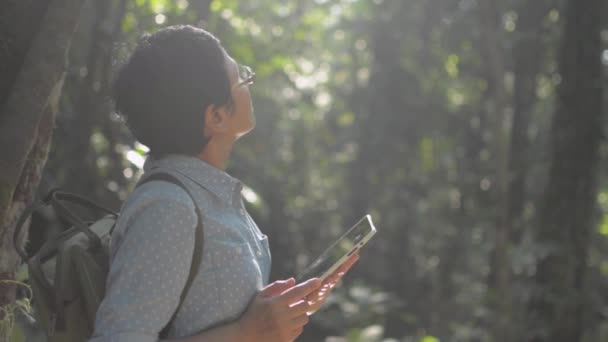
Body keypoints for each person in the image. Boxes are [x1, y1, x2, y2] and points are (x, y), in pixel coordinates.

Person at [90, 25, 359, 342]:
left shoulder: (208, 195)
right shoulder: (168, 207)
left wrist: (286, 311)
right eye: (242, 78)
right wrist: (247, 332)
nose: (250, 83)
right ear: (216, 117)